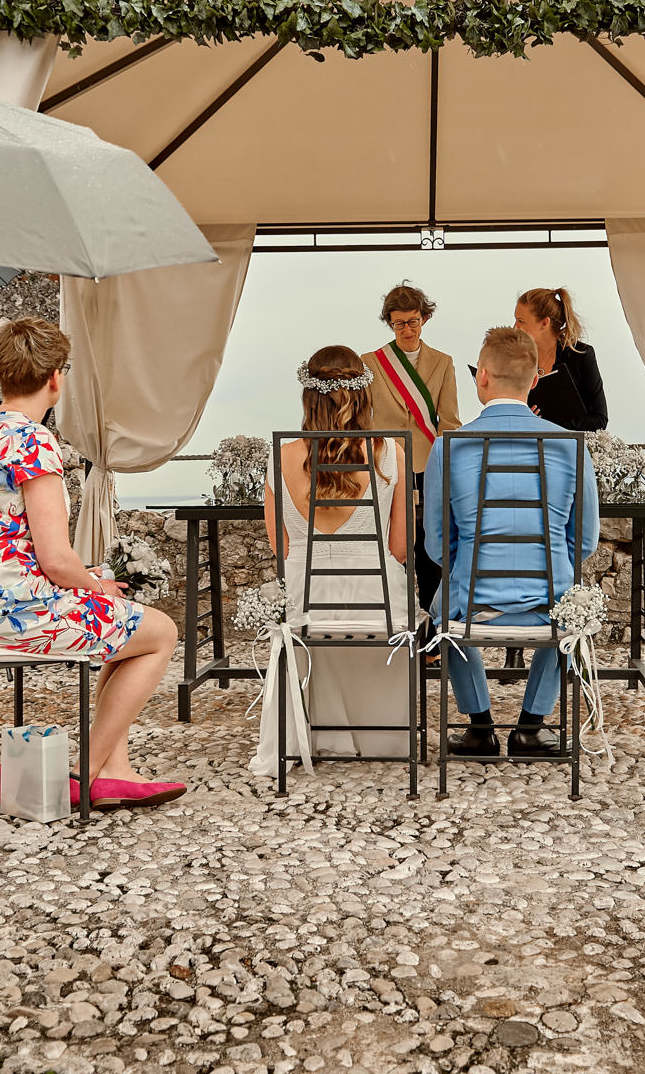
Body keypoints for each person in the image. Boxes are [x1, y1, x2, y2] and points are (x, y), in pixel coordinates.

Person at [0, 318, 184, 810]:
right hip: (18, 611)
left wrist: (89, 583)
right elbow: (55, 559)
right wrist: (95, 584)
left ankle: (116, 770)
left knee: (124, 628)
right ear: (55, 377)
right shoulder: (32, 440)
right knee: (161, 632)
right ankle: (84, 774)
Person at [426, 328, 600, 759]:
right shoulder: (570, 445)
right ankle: (530, 727)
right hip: (550, 602)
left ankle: (480, 727)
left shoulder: (448, 446)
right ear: (535, 379)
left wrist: (468, 568)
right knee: (574, 606)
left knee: (443, 604)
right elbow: (584, 539)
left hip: (472, 602)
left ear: (481, 376)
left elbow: (437, 543)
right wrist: (552, 568)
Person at [250, 346, 415, 774]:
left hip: (307, 603)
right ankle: (379, 737)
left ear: (309, 396)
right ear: (363, 394)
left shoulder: (279, 455)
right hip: (377, 605)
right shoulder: (391, 453)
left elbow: (281, 548)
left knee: (303, 614)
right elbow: (400, 547)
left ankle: (314, 734)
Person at [362, 283, 461, 609]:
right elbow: (362, 421)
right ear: (389, 323)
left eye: (413, 322)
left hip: (427, 468)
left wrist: (446, 470)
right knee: (391, 552)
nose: (406, 330)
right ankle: (395, 624)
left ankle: (433, 631)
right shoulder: (371, 362)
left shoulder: (443, 362)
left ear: (425, 318)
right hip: (385, 468)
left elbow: (449, 423)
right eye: (399, 324)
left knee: (430, 554)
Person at [513, 287, 608, 433]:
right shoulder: (515, 358)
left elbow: (599, 420)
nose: (515, 327)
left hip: (573, 445)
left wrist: (545, 424)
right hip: (529, 443)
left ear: (544, 323)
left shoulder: (582, 355)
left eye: (521, 321)